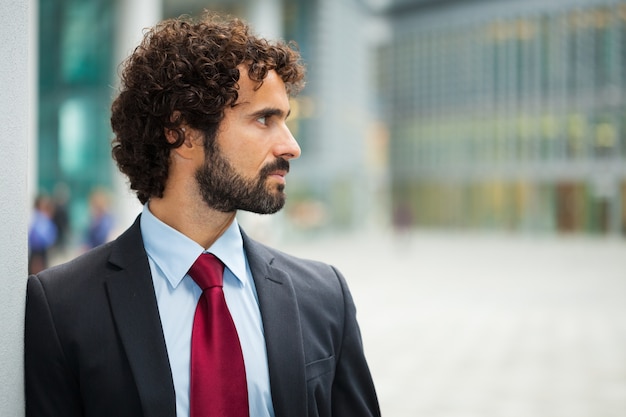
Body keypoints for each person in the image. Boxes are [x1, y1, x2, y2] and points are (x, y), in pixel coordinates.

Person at [25, 12, 380, 417]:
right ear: (184, 133)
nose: (291, 146)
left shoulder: (324, 295)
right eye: (265, 119)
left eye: (286, 121)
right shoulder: (60, 308)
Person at [27, 193, 58, 274]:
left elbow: (51, 235)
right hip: (36, 250)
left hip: (42, 250)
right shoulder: (37, 217)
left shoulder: (45, 218)